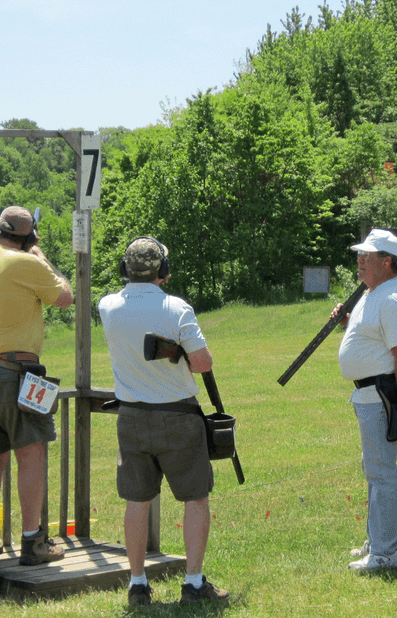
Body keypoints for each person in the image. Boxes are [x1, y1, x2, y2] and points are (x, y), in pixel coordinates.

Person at [98, 236, 230, 607]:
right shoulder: (177, 308)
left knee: (137, 502)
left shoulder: (107, 305)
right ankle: (192, 582)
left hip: (131, 416)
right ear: (165, 271)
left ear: (126, 270)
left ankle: (137, 584)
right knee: (195, 499)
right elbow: (203, 362)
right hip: (178, 415)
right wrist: (178, 352)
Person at [0, 206, 74, 566]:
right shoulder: (28, 263)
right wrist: (43, 258)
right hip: (13, 372)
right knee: (32, 450)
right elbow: (64, 296)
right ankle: (33, 541)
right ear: (28, 238)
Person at [331, 228, 397, 572]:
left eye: (368, 255)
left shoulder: (392, 298)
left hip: (381, 394)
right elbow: (371, 335)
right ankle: (376, 539)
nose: (360, 260)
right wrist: (347, 322)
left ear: (387, 262)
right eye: (360, 254)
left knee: (381, 473)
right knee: (374, 471)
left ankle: (385, 553)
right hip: (367, 394)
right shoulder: (374, 293)